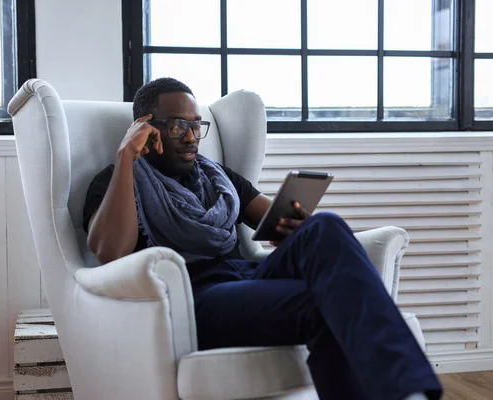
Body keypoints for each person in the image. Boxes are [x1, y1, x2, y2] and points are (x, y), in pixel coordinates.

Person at [82, 77, 442, 400]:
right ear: (147, 129)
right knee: (328, 305)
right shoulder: (115, 182)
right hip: (199, 297)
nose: (192, 138)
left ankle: (405, 391)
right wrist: (126, 157)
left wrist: (293, 230)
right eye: (178, 127)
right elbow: (110, 252)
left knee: (325, 225)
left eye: (196, 126)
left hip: (249, 276)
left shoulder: (216, 177)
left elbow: (273, 219)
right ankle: (407, 391)